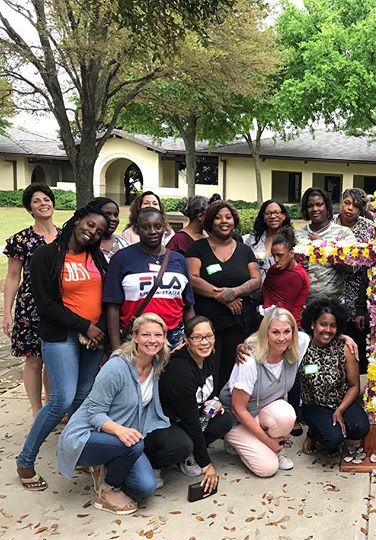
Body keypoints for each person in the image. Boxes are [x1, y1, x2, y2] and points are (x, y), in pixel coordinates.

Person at [17, 204, 109, 490]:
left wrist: (100, 329)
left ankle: (78, 453)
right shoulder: (46, 255)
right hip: (61, 336)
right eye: (90, 225)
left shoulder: (95, 256)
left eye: (100, 231)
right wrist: (84, 327)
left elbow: (107, 294)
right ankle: (26, 459)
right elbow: (45, 305)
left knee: (83, 398)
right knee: (62, 399)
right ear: (78, 218)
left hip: (93, 337)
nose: (92, 233)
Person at [56, 314, 177, 515]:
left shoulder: (157, 361)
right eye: (146, 334)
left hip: (120, 438)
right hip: (87, 435)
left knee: (146, 487)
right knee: (134, 444)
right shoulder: (116, 367)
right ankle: (107, 490)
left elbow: (186, 352)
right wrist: (119, 431)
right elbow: (94, 413)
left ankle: (107, 463)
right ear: (135, 337)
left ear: (165, 338)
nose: (152, 340)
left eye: (158, 335)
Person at [219, 308, 307, 477]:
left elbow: (321, 337)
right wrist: (268, 441)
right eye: (275, 332)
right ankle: (233, 441)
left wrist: (346, 338)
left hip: (263, 411)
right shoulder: (249, 360)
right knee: (267, 468)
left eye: (287, 331)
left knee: (287, 414)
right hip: (237, 418)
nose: (282, 338)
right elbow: (239, 409)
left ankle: (270, 447)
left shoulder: (298, 344)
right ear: (265, 333)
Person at [187, 200, 261, 388]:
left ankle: (229, 407)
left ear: (234, 221)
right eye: (218, 217)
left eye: (228, 217)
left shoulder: (244, 250)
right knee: (208, 366)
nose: (224, 221)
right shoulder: (198, 248)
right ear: (210, 221)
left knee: (234, 366)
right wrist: (219, 296)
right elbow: (192, 278)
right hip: (208, 321)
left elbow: (255, 280)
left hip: (238, 321)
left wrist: (234, 292)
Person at [156, 316, 232, 489]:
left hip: (191, 415)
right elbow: (190, 421)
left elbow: (211, 387)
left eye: (209, 336)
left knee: (224, 419)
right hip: (167, 424)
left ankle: (187, 456)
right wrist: (205, 463)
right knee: (180, 444)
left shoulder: (209, 355)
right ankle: (154, 464)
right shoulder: (180, 370)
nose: (204, 342)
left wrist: (214, 401)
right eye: (197, 337)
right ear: (186, 339)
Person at [104, 207, 195, 351]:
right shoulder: (121, 259)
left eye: (157, 226)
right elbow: (112, 307)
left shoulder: (178, 260)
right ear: (137, 229)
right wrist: (116, 348)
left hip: (174, 338)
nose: (152, 231)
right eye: (146, 227)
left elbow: (188, 306)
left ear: (164, 229)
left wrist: (193, 340)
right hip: (136, 338)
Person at [3, 183, 58, 418]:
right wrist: (7, 312)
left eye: (46, 199)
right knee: (34, 359)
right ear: (29, 208)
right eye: (36, 201)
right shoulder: (21, 240)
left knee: (54, 358)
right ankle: (37, 410)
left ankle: (52, 405)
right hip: (31, 306)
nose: (43, 203)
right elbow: (13, 277)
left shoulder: (67, 236)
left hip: (60, 305)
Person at [298, 299, 369, 455]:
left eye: (333, 326)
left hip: (341, 401)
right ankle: (314, 434)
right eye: (323, 324)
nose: (328, 330)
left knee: (360, 428)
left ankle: (334, 427)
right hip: (314, 404)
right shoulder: (302, 345)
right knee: (332, 439)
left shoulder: (344, 348)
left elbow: (354, 386)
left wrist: (340, 410)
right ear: (312, 324)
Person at [334, 188, 373, 371]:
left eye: (356, 206)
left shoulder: (369, 227)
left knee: (357, 338)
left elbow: (371, 258)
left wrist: (350, 266)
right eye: (347, 203)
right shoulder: (331, 223)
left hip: (358, 288)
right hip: (333, 284)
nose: (350, 209)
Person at [296, 187, 356, 301]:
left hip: (333, 304)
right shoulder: (297, 234)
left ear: (327, 207)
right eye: (310, 206)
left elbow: (351, 267)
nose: (315, 209)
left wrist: (323, 246)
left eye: (319, 204)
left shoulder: (343, 233)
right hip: (303, 303)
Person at [261, 227, 310, 327]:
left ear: (291, 253)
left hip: (287, 324)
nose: (276, 259)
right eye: (273, 255)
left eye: (280, 255)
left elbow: (290, 308)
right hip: (266, 320)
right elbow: (266, 293)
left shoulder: (298, 275)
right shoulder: (273, 270)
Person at [244, 199, 292, 284]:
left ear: (284, 216)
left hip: (282, 291)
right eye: (268, 213)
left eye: (276, 212)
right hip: (255, 291)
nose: (272, 216)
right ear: (263, 217)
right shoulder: (253, 239)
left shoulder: (292, 239)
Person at [88, 197, 129, 262]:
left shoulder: (125, 244)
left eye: (116, 215)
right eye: (108, 214)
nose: (114, 219)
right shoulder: (86, 245)